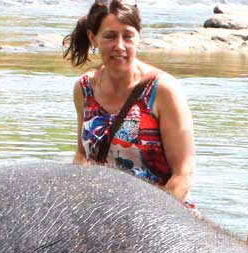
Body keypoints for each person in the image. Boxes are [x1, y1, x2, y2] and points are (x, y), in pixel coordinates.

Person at [64, 0, 196, 205]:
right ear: (93, 38)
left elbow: (183, 174)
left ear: (138, 37)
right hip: (101, 211)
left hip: (163, 217)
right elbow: (82, 156)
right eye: (109, 36)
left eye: (127, 36)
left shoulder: (163, 90)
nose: (119, 46)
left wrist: (143, 220)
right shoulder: (84, 88)